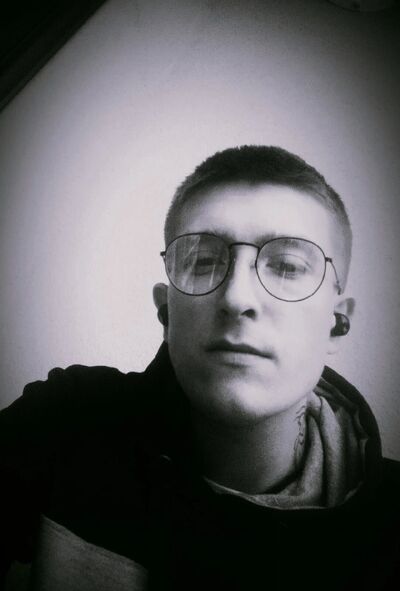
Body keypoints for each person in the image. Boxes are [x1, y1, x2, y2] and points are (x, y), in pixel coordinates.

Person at [1, 145, 399, 591]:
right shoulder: (67, 420)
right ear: (166, 312)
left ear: (336, 325)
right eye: (204, 262)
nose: (237, 298)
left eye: (288, 267)